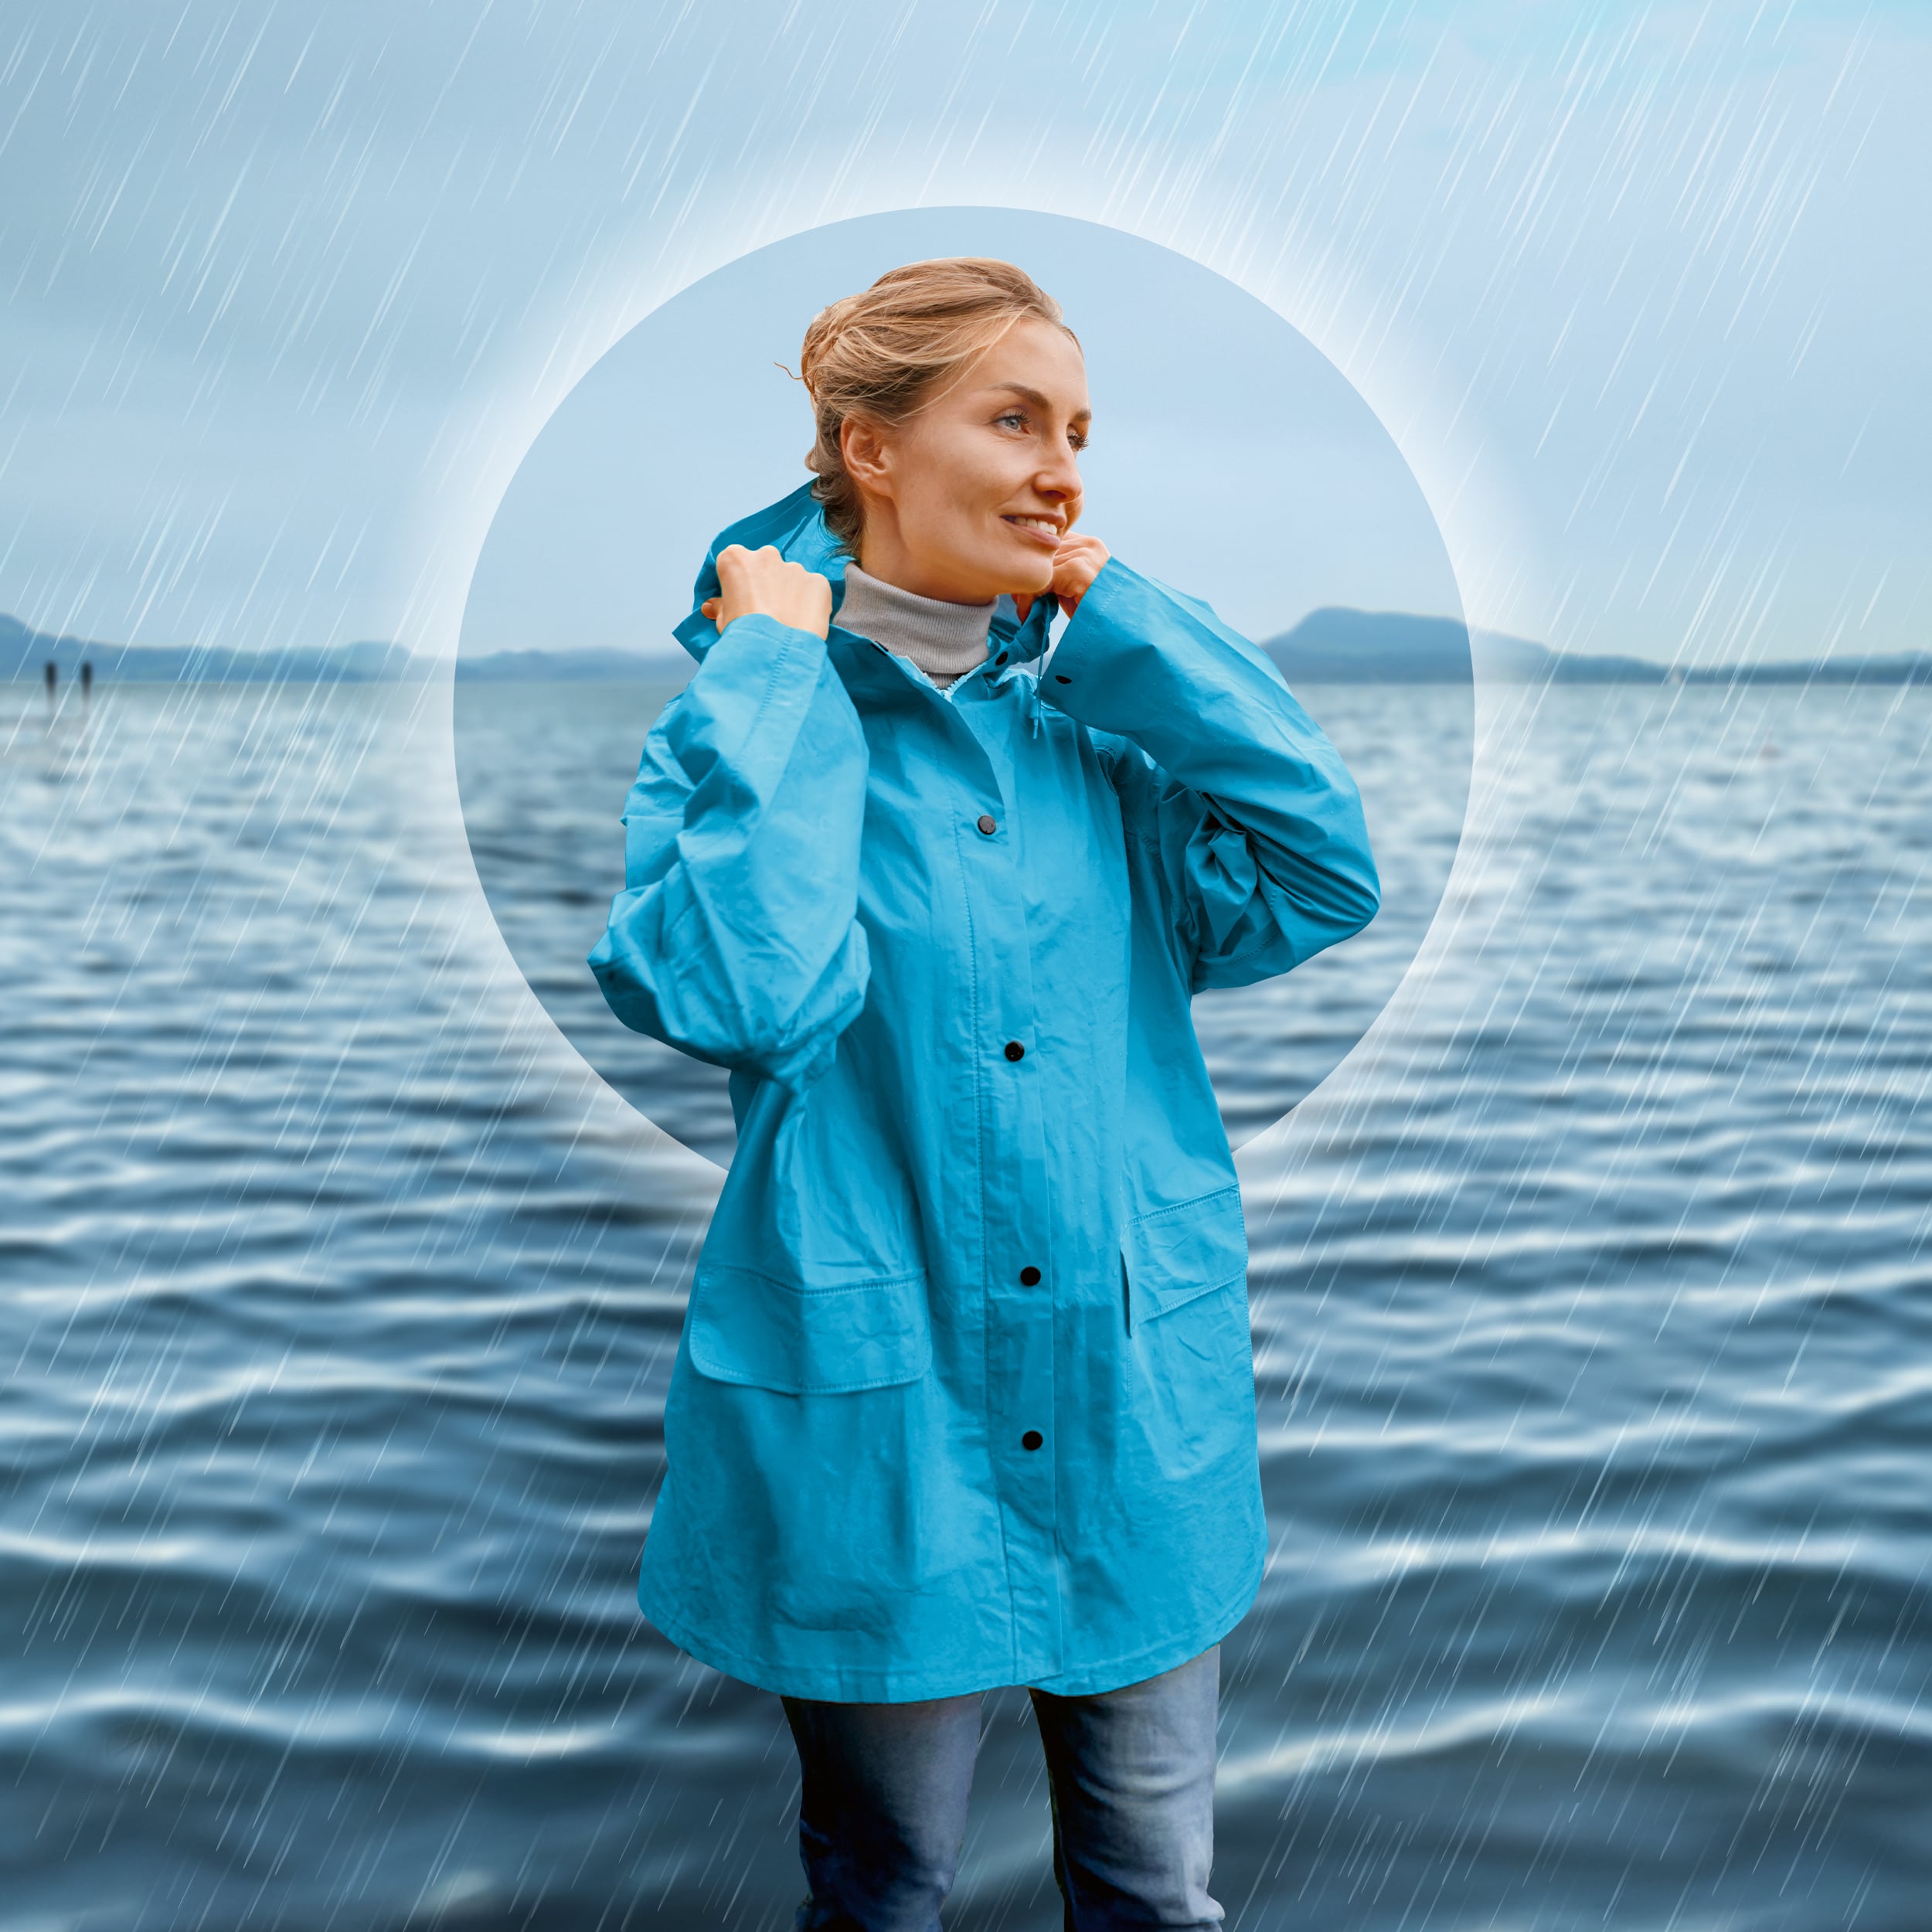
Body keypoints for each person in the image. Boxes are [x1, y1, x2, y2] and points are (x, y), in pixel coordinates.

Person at [588, 257, 1380, 1930]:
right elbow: (741, 994)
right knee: (884, 1888)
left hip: (1124, 1399)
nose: (1060, 466)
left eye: (1079, 430)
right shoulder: (733, 731)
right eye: (1012, 419)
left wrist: (1127, 618)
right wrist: (774, 677)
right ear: (869, 450)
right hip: (879, 1412)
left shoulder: (1108, 737)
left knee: (1157, 1895)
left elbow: (1323, 870)